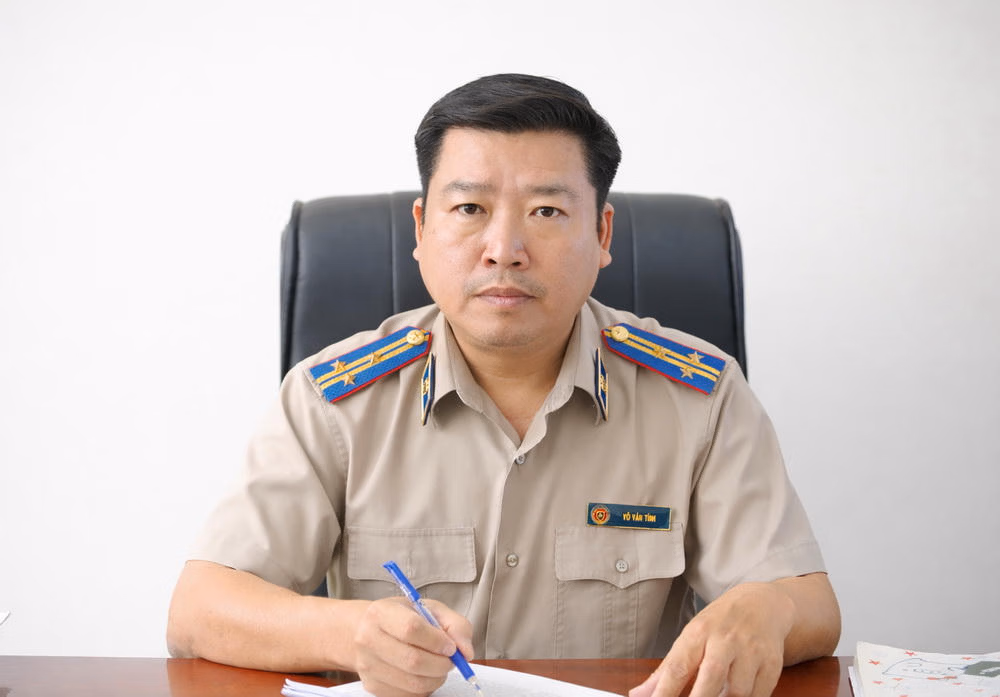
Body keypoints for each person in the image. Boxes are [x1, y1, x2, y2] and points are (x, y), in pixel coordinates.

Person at [167, 73, 841, 697]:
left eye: (546, 211)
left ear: (603, 232)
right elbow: (199, 610)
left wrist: (770, 606)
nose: (504, 249)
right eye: (469, 207)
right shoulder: (334, 400)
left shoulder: (700, 396)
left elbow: (812, 605)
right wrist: (353, 633)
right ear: (421, 229)